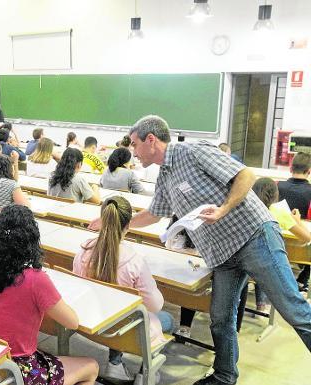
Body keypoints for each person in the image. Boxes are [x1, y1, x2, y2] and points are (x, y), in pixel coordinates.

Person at [127, 115, 311, 385]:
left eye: (134, 144)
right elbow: (155, 213)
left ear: (151, 140)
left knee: (293, 309)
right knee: (221, 319)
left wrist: (224, 209)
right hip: (223, 254)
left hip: (254, 236)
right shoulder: (164, 174)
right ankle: (225, 375)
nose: (133, 150)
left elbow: (246, 174)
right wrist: (118, 226)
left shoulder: (193, 152)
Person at [0, 205, 99, 385]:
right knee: (91, 366)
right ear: (31, 240)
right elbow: (72, 322)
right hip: (16, 371)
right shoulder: (34, 279)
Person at [73, 196, 173, 382]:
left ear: (102, 219)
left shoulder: (84, 251)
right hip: (123, 329)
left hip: (92, 321)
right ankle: (145, 374)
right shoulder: (135, 262)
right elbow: (155, 305)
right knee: (167, 319)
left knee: (119, 310)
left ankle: (116, 363)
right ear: (128, 226)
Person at [249, 177, 311, 312]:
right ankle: (262, 304)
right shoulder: (279, 212)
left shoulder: (248, 209)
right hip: (270, 265)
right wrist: (297, 220)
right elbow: (307, 238)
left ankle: (260, 302)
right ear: (275, 194)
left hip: (247, 262)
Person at [278, 152, 311, 292]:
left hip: (279, 241)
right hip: (303, 245)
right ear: (309, 171)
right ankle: (302, 280)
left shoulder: (277, 186)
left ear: (290, 169)